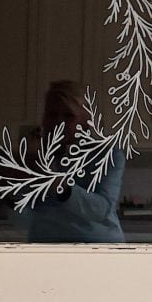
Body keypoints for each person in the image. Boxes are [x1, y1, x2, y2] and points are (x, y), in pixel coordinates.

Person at [27, 80, 125, 243]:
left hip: (96, 249)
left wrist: (59, 184)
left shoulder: (107, 154)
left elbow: (102, 209)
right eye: (51, 114)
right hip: (46, 248)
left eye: (68, 116)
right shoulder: (36, 154)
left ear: (85, 121)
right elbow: (28, 214)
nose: (58, 122)